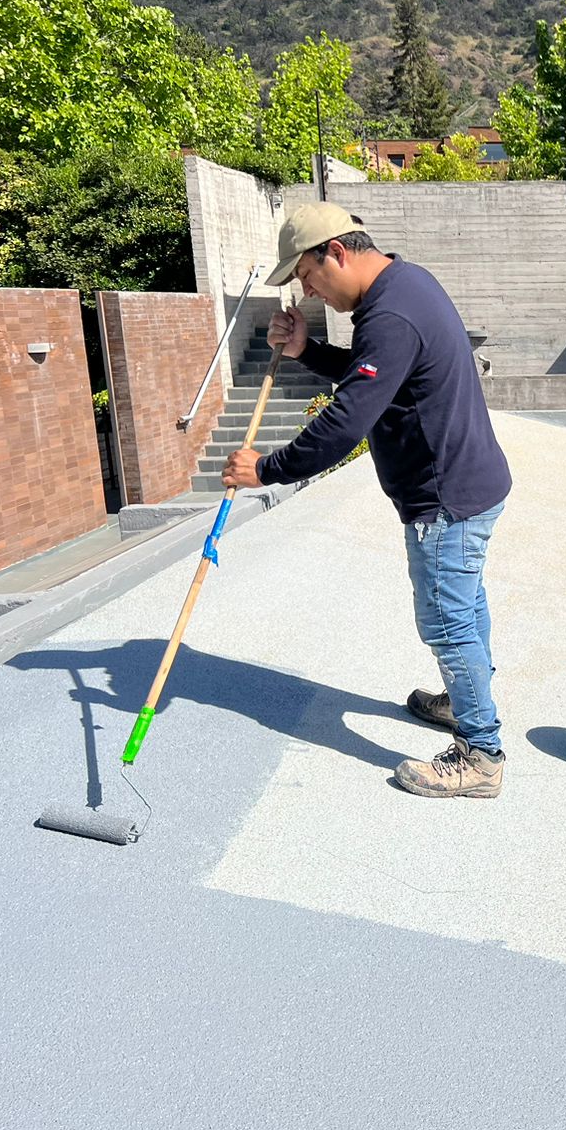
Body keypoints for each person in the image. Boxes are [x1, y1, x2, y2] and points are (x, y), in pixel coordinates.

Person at [221, 201, 513, 800]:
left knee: (447, 620)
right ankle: (466, 702)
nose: (310, 292)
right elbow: (373, 375)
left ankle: (481, 755)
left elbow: (344, 424)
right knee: (467, 605)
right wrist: (307, 351)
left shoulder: (390, 315)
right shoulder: (404, 284)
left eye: (306, 276)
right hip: (471, 484)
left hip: (445, 499)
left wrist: (266, 470)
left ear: (336, 252)